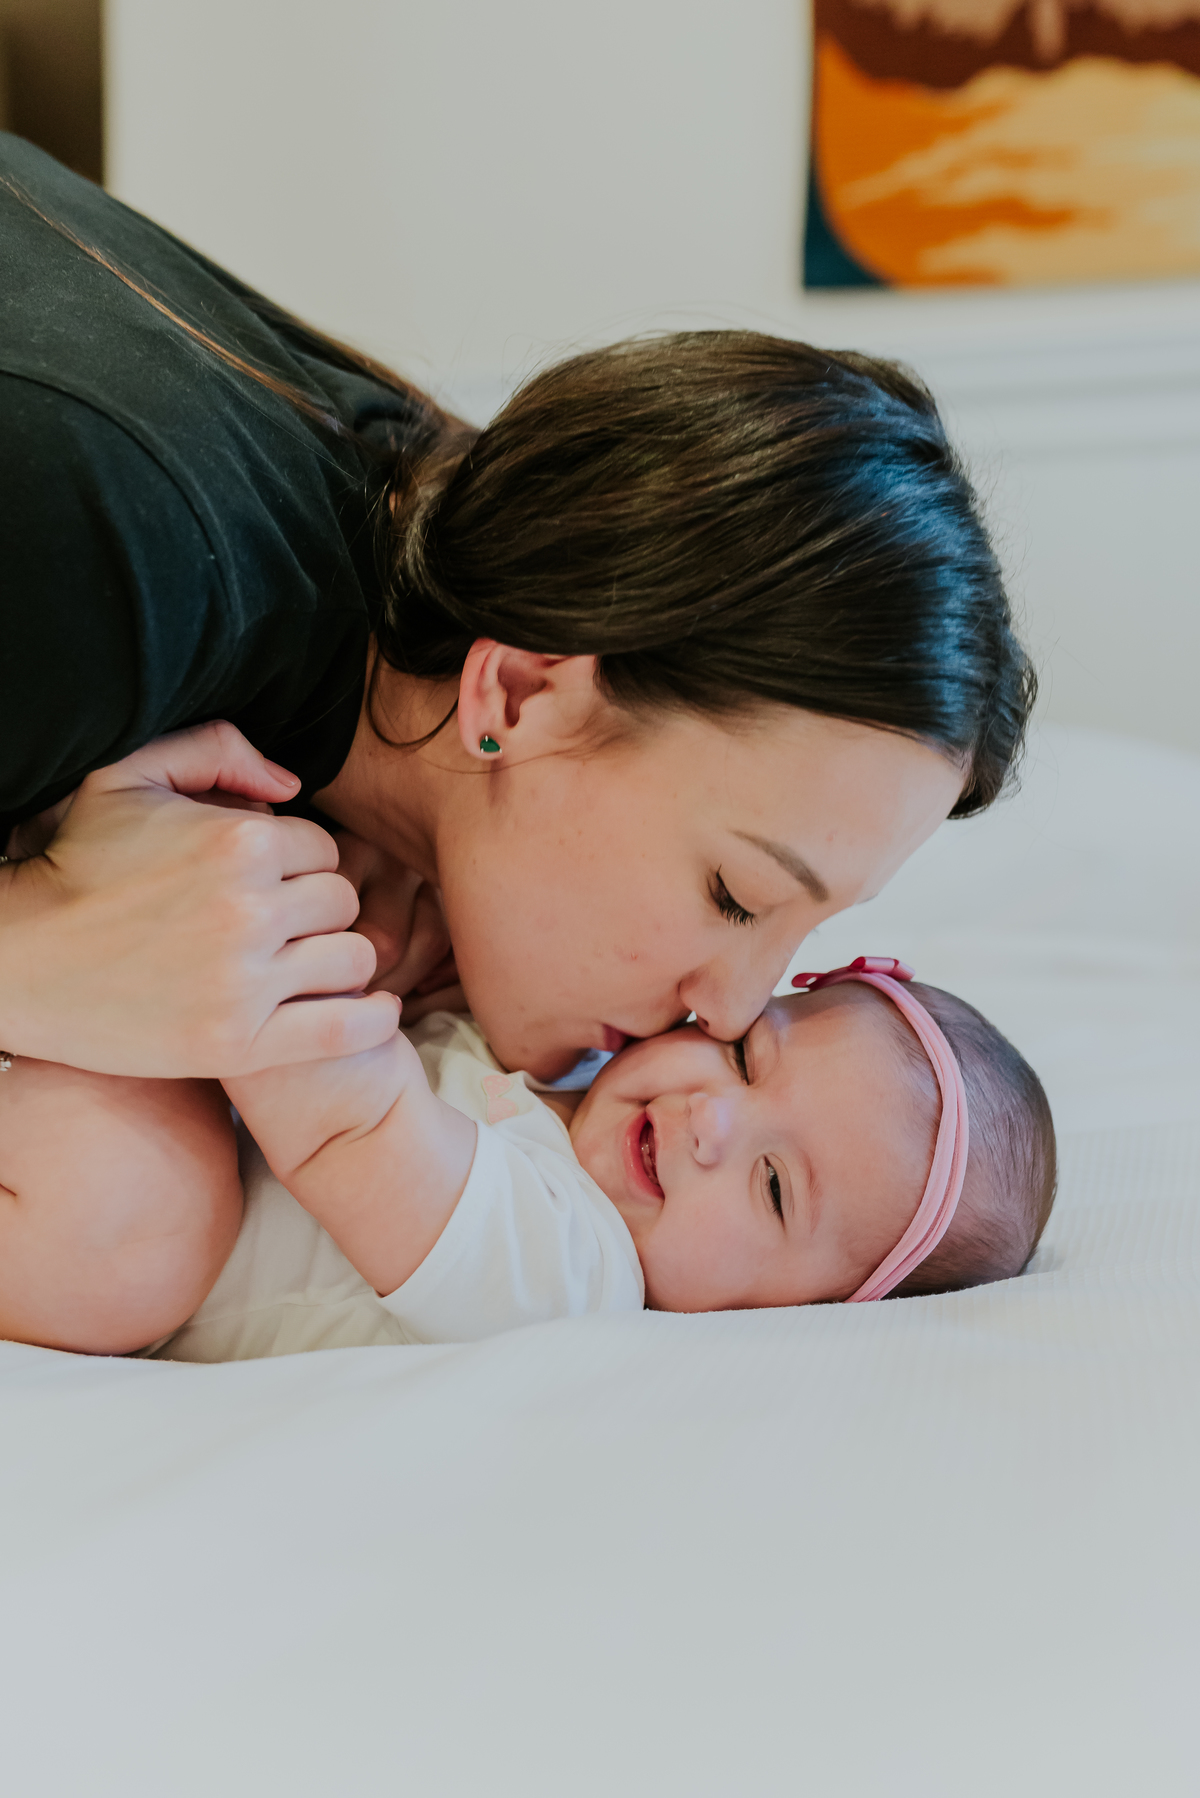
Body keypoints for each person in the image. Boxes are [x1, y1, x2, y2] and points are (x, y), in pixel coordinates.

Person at [0, 133, 1035, 1352]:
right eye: (734, 891)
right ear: (525, 693)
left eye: (805, 940)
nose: (724, 1011)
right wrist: (35, 957)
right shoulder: (105, 565)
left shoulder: (384, 557)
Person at [144, 957, 1056, 1363]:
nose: (713, 1120)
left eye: (774, 1186)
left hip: (129, 1239)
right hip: (159, 1069)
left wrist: (254, 932)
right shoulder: (564, 1060)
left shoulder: (578, 1274)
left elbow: (346, 1123)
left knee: (133, 1194)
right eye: (744, 1056)